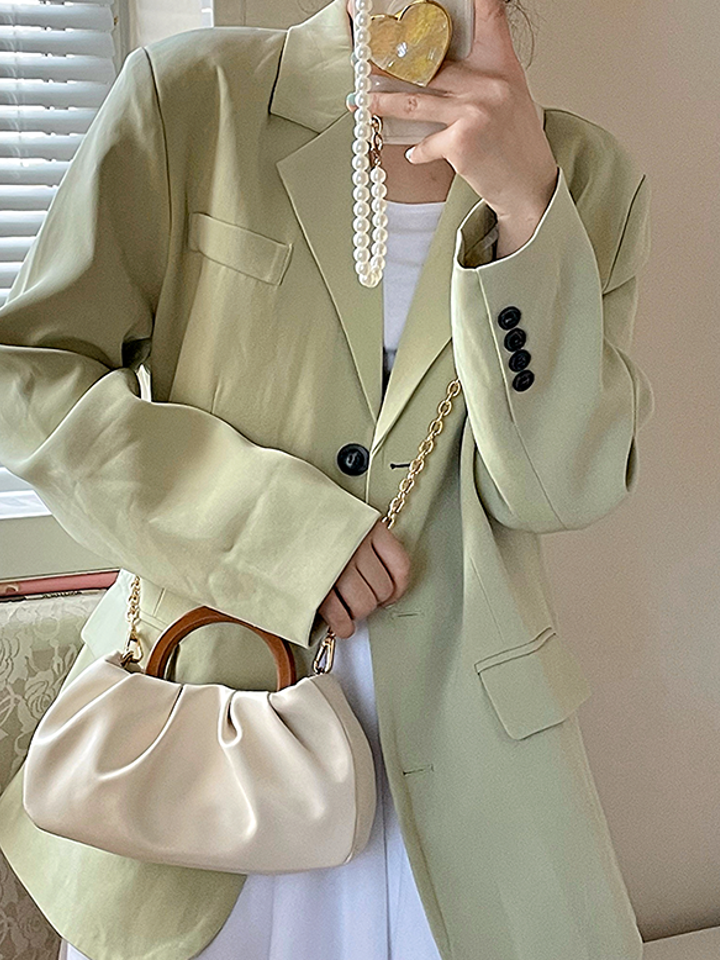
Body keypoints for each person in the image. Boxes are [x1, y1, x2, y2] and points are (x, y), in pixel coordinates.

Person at [0, 0, 654, 958]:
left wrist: (525, 211)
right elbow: (29, 376)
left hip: (471, 790)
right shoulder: (194, 101)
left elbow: (560, 488)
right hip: (208, 743)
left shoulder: (585, 180)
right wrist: (278, 533)